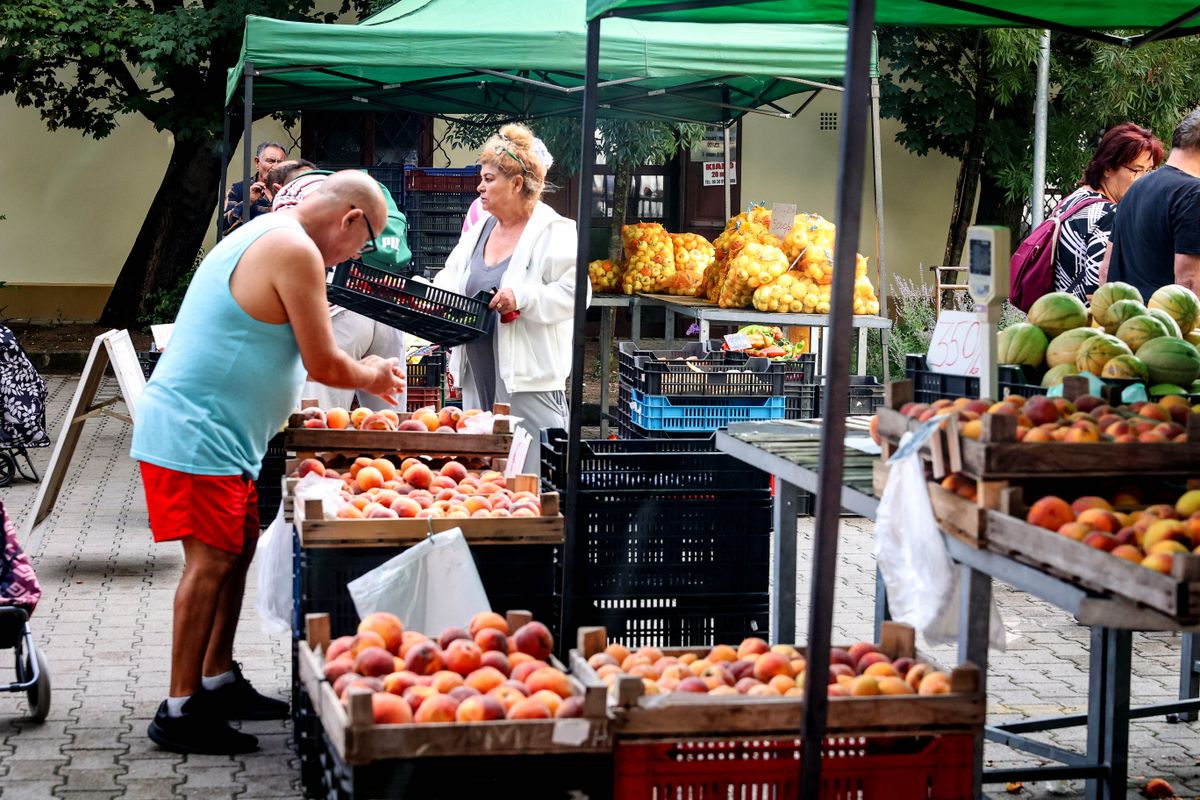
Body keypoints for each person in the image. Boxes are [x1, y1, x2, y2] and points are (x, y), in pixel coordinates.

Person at [131, 171, 405, 755]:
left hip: (225, 435)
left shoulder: (273, 234)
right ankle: (180, 709)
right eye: (364, 242)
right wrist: (375, 375)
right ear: (350, 219)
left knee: (238, 547)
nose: (357, 256)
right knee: (210, 563)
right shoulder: (293, 248)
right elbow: (327, 363)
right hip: (195, 429)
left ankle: (216, 677)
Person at [434, 124, 587, 475]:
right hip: (478, 375)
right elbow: (451, 276)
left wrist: (523, 297)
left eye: (488, 179)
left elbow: (578, 294)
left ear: (516, 184)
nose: (480, 187)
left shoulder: (552, 231)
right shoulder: (479, 230)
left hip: (526, 382)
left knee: (532, 479)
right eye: (481, 178)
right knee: (487, 478)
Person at [1052, 123, 1163, 302]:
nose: (1145, 180)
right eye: (1136, 170)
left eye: (1149, 171)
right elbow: (1098, 291)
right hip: (1086, 323)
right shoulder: (1108, 215)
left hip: (1058, 313)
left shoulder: (1073, 200)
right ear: (1107, 168)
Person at [1101, 109, 1200, 297]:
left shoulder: (1135, 188)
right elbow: (1190, 283)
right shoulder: (1194, 194)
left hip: (1123, 318)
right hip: (1165, 324)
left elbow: (1105, 270)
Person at [461, 138, 554, 235]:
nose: (542, 185)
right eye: (536, 179)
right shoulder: (479, 208)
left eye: (542, 179)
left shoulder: (548, 221)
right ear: (517, 183)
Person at [221, 141, 288, 234]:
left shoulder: (290, 190)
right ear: (257, 162)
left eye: (280, 162)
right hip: (250, 246)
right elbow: (223, 226)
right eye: (271, 161)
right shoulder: (239, 189)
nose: (276, 166)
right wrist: (248, 201)